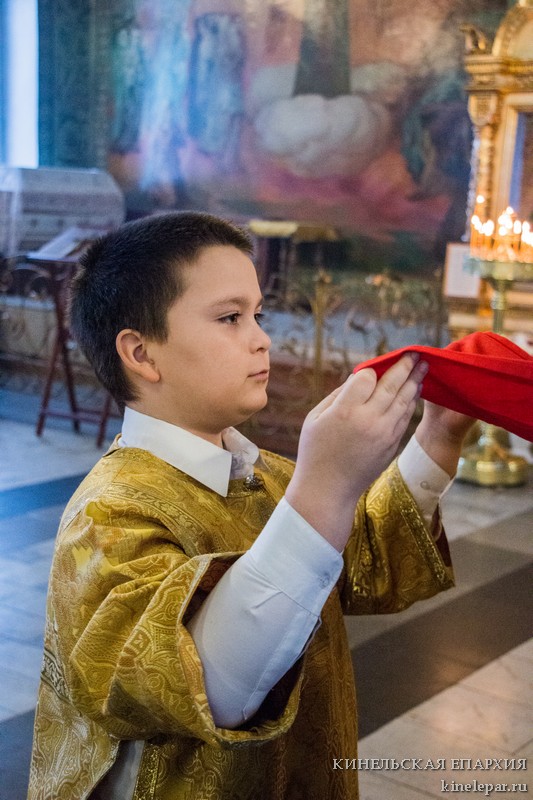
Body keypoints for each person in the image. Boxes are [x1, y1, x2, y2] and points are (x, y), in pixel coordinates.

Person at [28, 212, 474, 800]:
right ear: (141, 353)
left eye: (258, 315)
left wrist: (438, 434)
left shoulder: (268, 474)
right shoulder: (108, 515)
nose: (261, 338)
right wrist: (323, 489)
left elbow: (364, 564)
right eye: (230, 317)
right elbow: (207, 686)